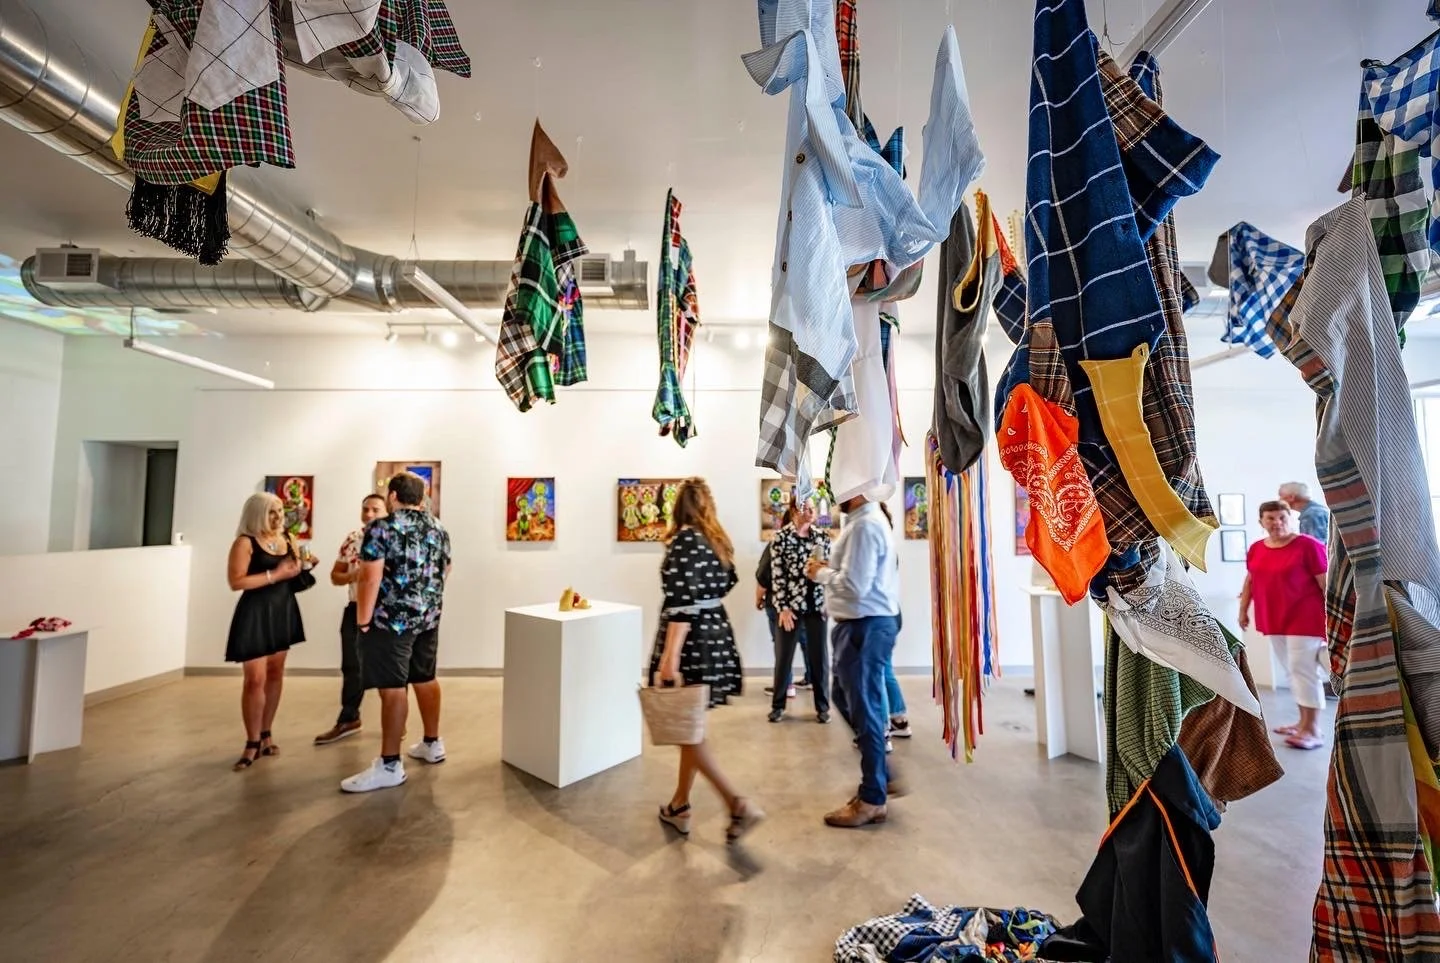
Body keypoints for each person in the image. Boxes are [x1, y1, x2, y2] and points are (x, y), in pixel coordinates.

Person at [650, 477, 764, 843]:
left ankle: (735, 803)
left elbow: (682, 604)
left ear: (678, 507)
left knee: (687, 728)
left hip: (692, 642)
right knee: (690, 726)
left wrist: (670, 659)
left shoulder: (685, 541)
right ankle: (679, 804)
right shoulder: (715, 542)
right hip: (715, 636)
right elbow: (724, 584)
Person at [341, 472, 452, 793]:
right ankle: (432, 743)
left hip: (390, 622)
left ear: (392, 496)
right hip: (427, 618)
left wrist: (363, 621)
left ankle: (390, 765)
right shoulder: (438, 528)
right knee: (425, 676)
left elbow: (369, 578)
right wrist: (426, 599)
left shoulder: (381, 528)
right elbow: (445, 569)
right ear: (421, 497)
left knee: (392, 688)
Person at [807, 493, 903, 828]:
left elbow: (855, 585)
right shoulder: (863, 523)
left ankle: (873, 798)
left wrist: (821, 573)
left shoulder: (865, 526)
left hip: (865, 625)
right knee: (846, 698)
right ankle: (882, 775)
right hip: (862, 624)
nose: (835, 493)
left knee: (864, 708)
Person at [225, 492, 313, 770]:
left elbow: (294, 575)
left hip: (282, 610)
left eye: (280, 511)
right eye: (271, 512)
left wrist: (304, 566)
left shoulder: (288, 539)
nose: (278, 517)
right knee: (254, 679)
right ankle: (251, 741)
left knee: (275, 673)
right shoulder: (245, 542)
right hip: (255, 613)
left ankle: (266, 733)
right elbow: (236, 582)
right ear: (257, 514)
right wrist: (275, 575)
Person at [1240, 499, 1329, 750]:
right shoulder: (1257, 548)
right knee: (1292, 671)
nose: (1277, 523)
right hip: (1274, 617)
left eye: (1282, 517)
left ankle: (1313, 730)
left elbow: (1325, 584)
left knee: (1303, 671)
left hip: (1306, 618)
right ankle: (1302, 723)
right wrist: (1243, 610)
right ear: (1261, 521)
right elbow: (1250, 580)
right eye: (1271, 518)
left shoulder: (1308, 545)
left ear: (1291, 519)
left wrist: (1334, 617)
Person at [313, 493, 387, 746]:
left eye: (375, 509)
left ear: (386, 512)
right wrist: (353, 575)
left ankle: (395, 722)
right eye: (365, 509)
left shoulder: (395, 539)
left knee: (390, 668)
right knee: (352, 665)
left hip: (385, 611)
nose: (369, 514)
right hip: (355, 608)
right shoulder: (353, 539)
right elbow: (335, 576)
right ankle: (349, 718)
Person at [768, 496, 832, 723]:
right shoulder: (781, 538)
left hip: (816, 606)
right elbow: (777, 577)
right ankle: (778, 706)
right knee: (783, 657)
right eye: (807, 508)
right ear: (795, 510)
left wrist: (828, 602)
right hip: (790, 607)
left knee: (819, 659)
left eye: (814, 508)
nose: (812, 512)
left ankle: (823, 708)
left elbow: (828, 572)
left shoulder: (821, 537)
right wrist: (783, 608)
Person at [759, 503, 813, 700]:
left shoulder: (777, 542)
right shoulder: (813, 543)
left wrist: (758, 597)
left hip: (778, 604)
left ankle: (786, 684)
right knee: (807, 642)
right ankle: (812, 678)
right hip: (806, 603)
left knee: (782, 646)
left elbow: (764, 575)